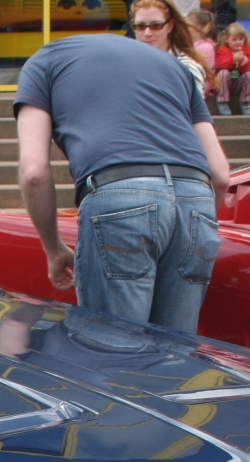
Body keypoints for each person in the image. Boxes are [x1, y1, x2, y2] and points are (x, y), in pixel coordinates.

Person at [15, 33, 233, 333]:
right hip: (197, 197)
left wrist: (54, 249)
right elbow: (220, 175)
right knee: (175, 356)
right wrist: (195, 224)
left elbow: (34, 172)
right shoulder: (174, 66)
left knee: (113, 355)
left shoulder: (43, 62)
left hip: (120, 194)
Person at [129, 0, 215, 99]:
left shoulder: (186, 68)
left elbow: (189, 112)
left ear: (170, 25)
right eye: (140, 26)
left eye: (156, 25)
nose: (147, 33)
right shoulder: (127, 66)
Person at [214, 22, 250, 115]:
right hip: (225, 84)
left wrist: (246, 65)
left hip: (240, 84)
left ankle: (245, 102)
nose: (238, 42)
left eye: (240, 39)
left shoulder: (247, 51)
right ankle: (222, 101)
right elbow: (219, 65)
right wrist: (233, 60)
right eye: (234, 39)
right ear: (227, 39)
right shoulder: (222, 51)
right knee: (223, 73)